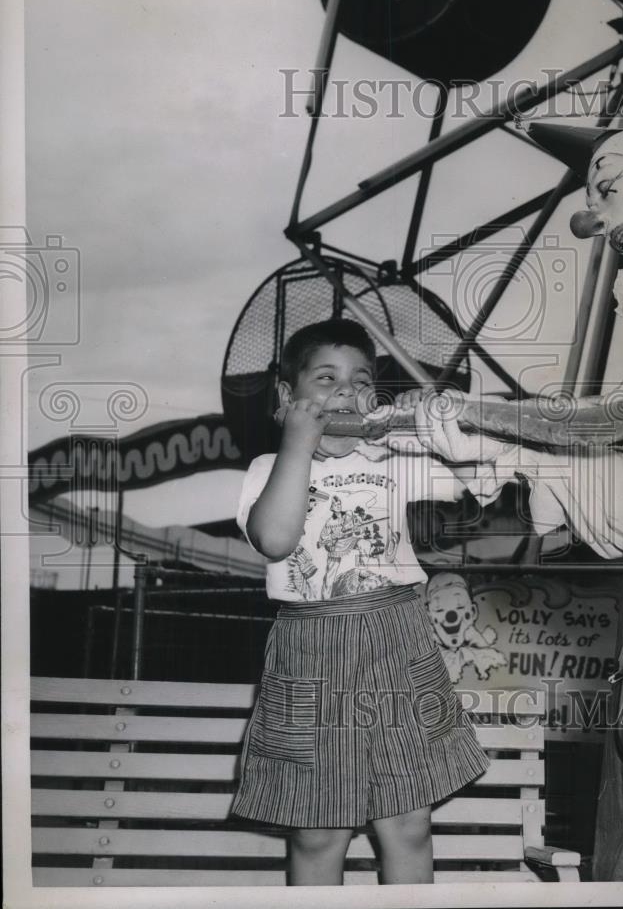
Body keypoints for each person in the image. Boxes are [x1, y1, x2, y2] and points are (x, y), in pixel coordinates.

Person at [230, 318, 492, 886]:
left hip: (397, 640)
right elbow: (275, 539)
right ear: (287, 397)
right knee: (318, 830)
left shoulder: (394, 462)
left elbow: (475, 472)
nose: (344, 391)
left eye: (360, 380)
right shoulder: (265, 471)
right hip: (312, 650)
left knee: (407, 821)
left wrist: (428, 424)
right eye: (325, 379)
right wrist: (298, 442)